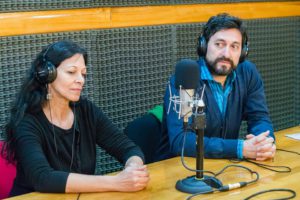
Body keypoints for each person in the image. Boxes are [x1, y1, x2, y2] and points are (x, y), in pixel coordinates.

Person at [1, 40, 149, 197]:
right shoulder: (27, 121)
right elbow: (42, 178)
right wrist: (117, 182)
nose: (81, 80)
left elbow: (128, 148)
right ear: (47, 74)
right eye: (72, 72)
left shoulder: (86, 110)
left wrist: (134, 169)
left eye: (83, 73)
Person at [156, 13, 276, 162]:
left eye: (234, 46)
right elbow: (181, 141)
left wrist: (264, 143)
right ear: (204, 45)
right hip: (180, 169)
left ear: (243, 52)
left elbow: (259, 118)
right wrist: (239, 148)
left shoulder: (248, 73)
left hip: (224, 165)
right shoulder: (186, 80)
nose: (226, 53)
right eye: (219, 44)